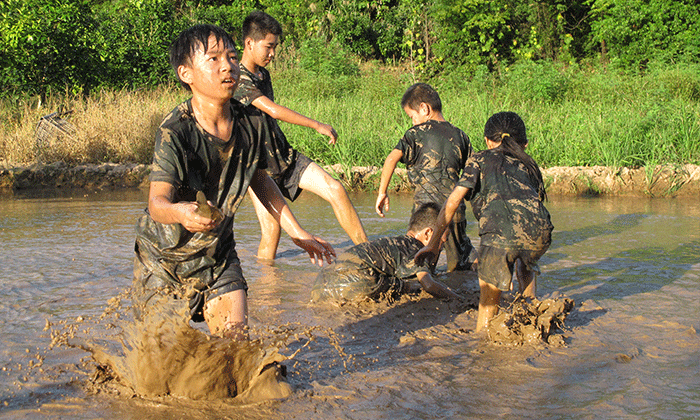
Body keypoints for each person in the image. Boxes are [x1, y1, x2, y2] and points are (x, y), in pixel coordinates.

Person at [132, 24, 335, 341]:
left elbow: (258, 178)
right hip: (165, 259)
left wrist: (298, 233)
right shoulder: (176, 131)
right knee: (163, 361)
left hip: (218, 254)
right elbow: (156, 204)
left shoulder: (251, 122)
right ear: (186, 73)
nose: (227, 65)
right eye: (213, 59)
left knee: (236, 346)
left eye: (231, 56)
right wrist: (183, 212)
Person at [233, 11, 368, 260]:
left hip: (283, 155)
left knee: (335, 188)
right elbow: (273, 110)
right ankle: (267, 289)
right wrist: (317, 125)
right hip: (258, 168)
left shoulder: (263, 74)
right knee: (271, 231)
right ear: (249, 43)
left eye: (275, 47)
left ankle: (369, 251)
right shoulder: (236, 78)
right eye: (268, 47)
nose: (272, 54)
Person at [415, 112, 553, 332]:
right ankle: (530, 312)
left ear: (488, 141)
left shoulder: (479, 159)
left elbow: (452, 202)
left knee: (488, 303)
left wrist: (432, 245)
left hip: (499, 233)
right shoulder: (529, 164)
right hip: (540, 233)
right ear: (524, 144)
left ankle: (482, 346)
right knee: (525, 261)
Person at [376, 83, 477, 272]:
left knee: (421, 256)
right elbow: (473, 172)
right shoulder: (460, 135)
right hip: (454, 210)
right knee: (458, 261)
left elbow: (391, 159)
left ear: (424, 108)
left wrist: (382, 192)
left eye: (412, 117)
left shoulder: (415, 133)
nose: (413, 122)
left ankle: (427, 287)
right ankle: (464, 288)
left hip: (425, 211)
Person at [312, 202, 461, 303]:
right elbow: (429, 285)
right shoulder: (415, 248)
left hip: (321, 284)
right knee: (413, 287)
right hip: (358, 281)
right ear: (428, 234)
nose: (442, 247)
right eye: (442, 240)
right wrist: (460, 299)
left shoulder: (393, 243)